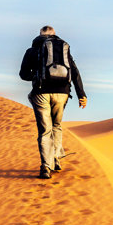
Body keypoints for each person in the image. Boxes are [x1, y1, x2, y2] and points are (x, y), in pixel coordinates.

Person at [19, 26, 87, 179]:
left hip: (41, 93)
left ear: (40, 35)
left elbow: (23, 74)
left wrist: (36, 77)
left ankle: (45, 166)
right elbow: (75, 72)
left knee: (45, 130)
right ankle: (56, 159)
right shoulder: (63, 49)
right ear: (55, 35)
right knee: (56, 125)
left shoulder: (33, 50)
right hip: (62, 93)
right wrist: (81, 94)